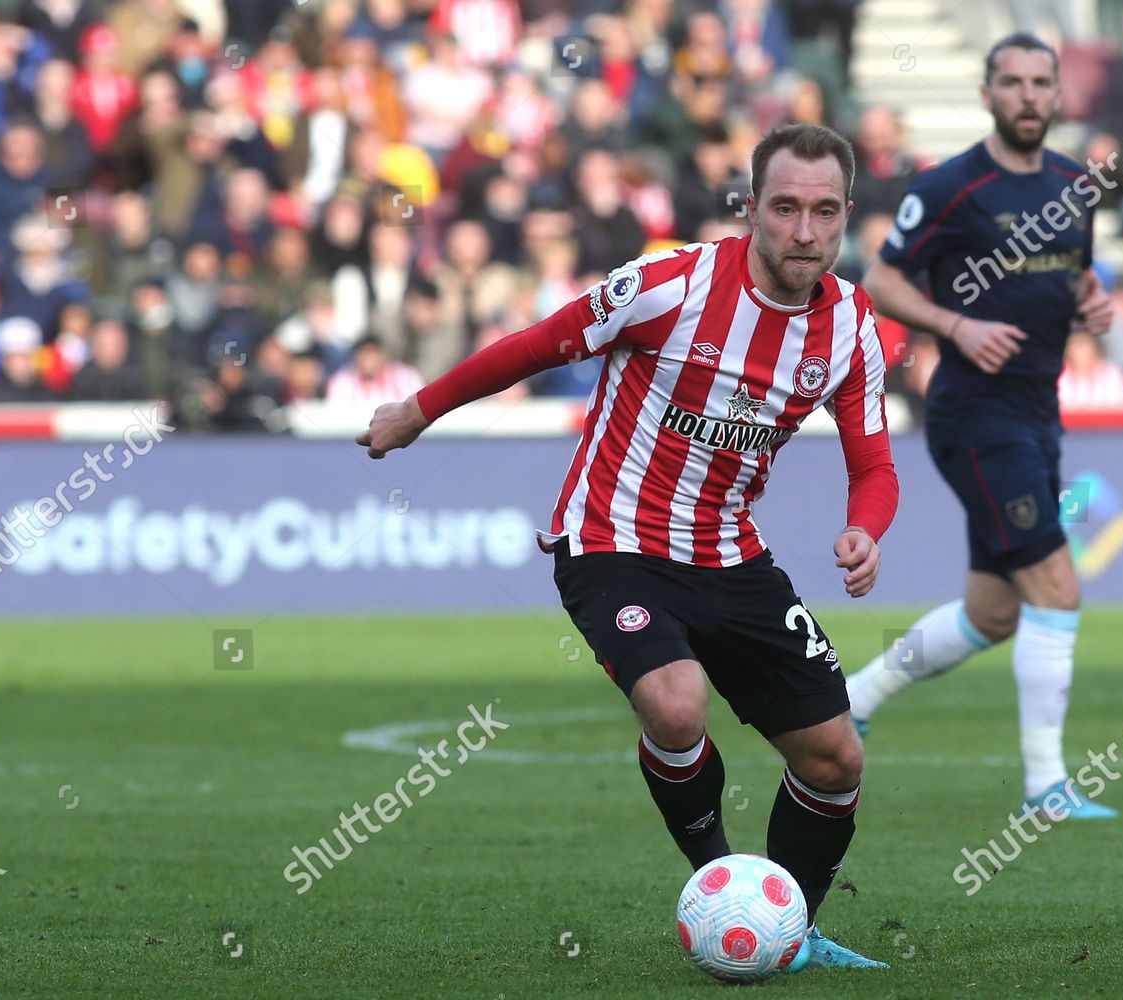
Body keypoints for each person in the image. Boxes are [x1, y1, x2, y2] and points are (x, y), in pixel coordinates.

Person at [357, 123, 898, 972]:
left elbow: (874, 466)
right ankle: (719, 880)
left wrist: (867, 528)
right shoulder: (668, 286)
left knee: (835, 759)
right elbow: (538, 344)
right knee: (677, 706)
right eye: (785, 208)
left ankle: (791, 930)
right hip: (612, 539)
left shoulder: (852, 327)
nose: (804, 230)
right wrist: (419, 410)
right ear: (751, 209)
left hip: (731, 555)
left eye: (823, 211)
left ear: (845, 216)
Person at [846, 34, 1119, 822]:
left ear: (1060, 93)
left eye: (1041, 82)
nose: (1028, 95)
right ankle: (1045, 788)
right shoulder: (950, 187)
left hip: (1039, 410)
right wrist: (955, 327)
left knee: (994, 613)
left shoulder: (1075, 185)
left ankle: (854, 697)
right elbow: (882, 279)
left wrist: (1092, 303)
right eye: (1013, 82)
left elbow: (1076, 276)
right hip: (974, 414)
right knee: (1057, 586)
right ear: (987, 91)